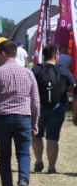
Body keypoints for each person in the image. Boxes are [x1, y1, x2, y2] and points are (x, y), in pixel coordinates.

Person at [0, 41, 40, 186]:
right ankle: (23, 180)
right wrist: (35, 122)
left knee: (4, 156)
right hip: (23, 118)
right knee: (23, 154)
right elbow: (35, 101)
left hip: (2, 117)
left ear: (2, 53)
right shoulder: (28, 73)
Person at [32, 43, 75, 174]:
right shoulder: (63, 70)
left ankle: (39, 160)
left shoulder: (36, 69)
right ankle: (51, 167)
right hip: (58, 107)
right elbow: (72, 89)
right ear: (56, 55)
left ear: (43, 56)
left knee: (37, 135)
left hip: (39, 107)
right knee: (52, 138)